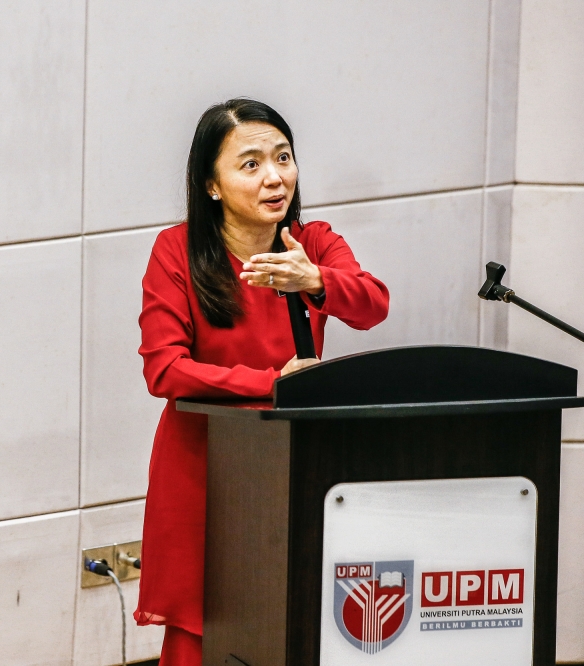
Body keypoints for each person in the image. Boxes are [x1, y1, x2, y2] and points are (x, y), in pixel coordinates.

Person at [134, 98, 389, 664]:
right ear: (212, 186)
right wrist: (276, 383)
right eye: (250, 164)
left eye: (283, 158)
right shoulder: (176, 251)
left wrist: (316, 278)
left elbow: (374, 305)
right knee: (204, 629)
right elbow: (165, 369)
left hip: (299, 461)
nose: (275, 177)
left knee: (301, 616)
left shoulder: (313, 242)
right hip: (206, 464)